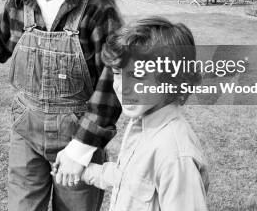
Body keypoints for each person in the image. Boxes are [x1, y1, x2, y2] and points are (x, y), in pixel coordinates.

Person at [0, 0, 123, 211]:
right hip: (26, 132)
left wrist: (81, 148)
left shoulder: (97, 10)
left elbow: (113, 81)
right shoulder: (19, 5)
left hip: (78, 134)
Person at [79, 17, 209, 211]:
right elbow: (130, 177)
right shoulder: (141, 124)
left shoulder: (174, 155)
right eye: (116, 72)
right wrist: (87, 171)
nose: (122, 88)